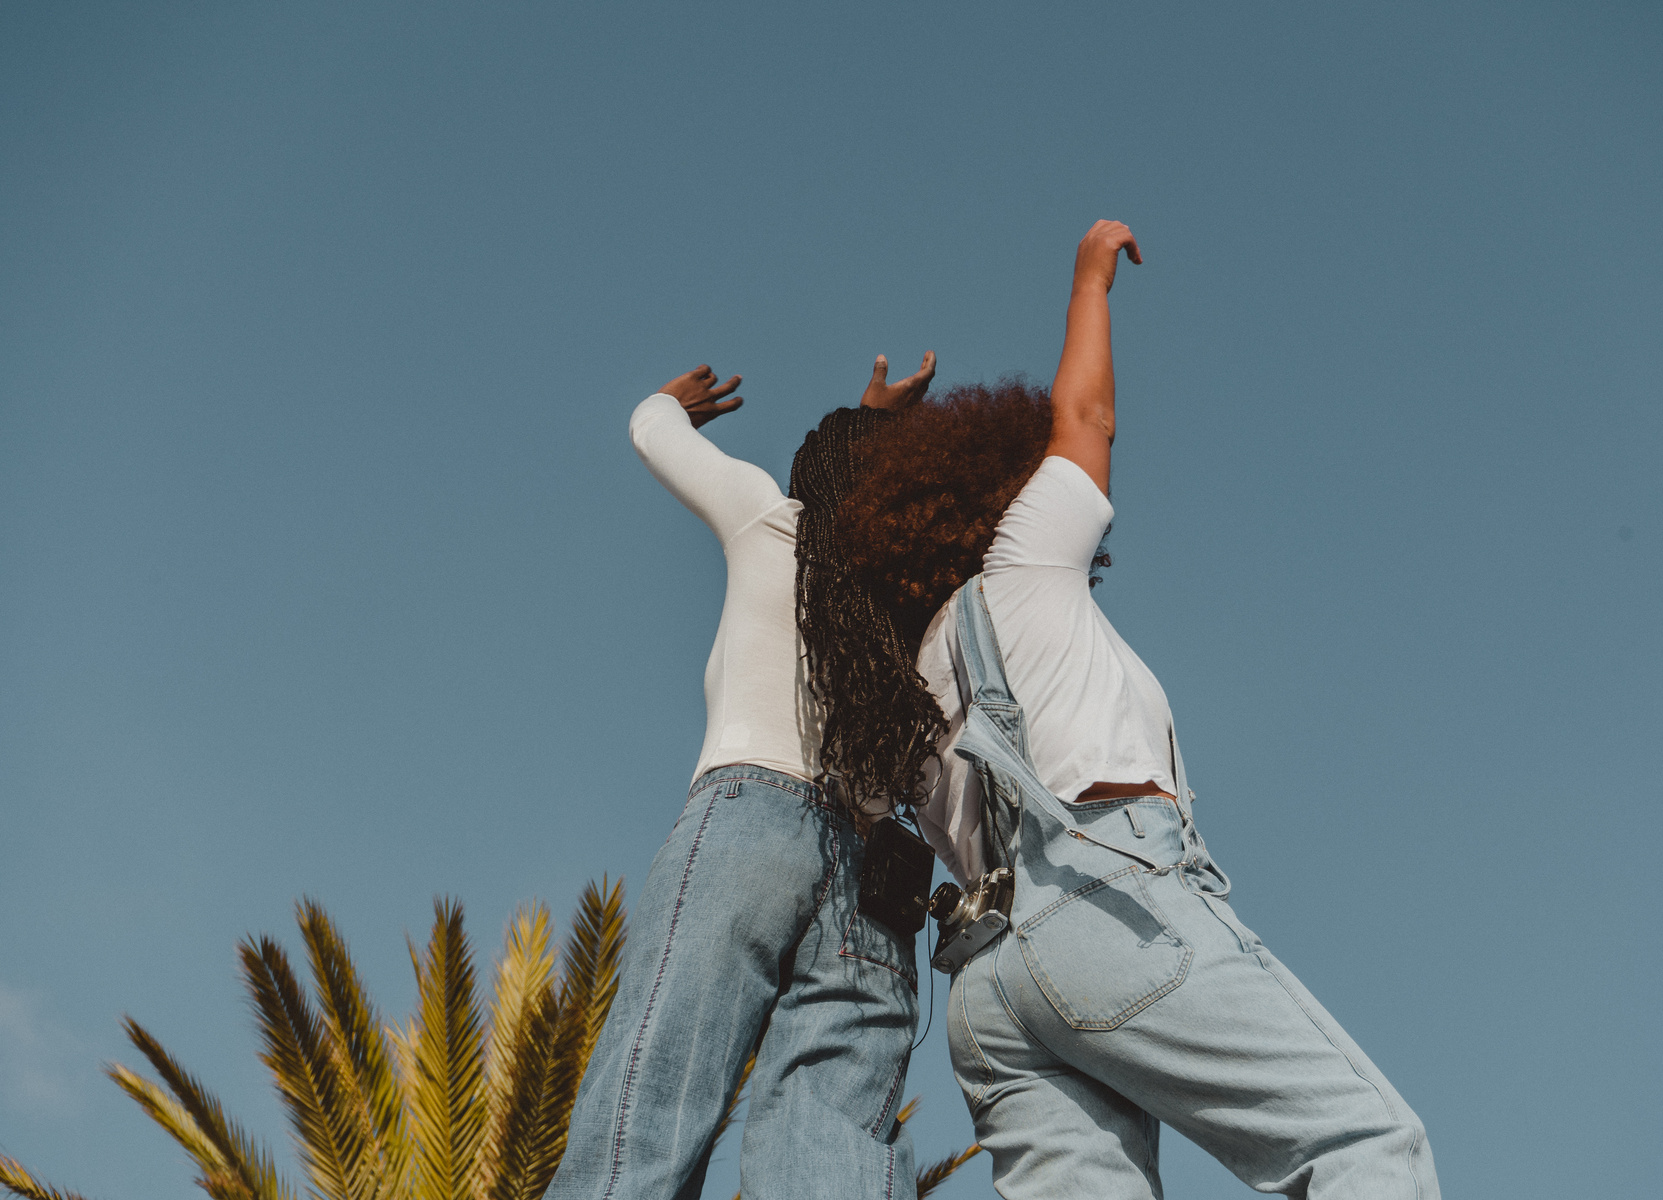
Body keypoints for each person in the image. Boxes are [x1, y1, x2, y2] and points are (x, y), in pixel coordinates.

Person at [834, 221, 1442, 1199]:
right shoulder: (1023, 567)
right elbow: (1085, 417)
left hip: (987, 995)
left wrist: (862, 435)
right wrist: (1088, 282)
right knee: (1364, 1145)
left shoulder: (893, 689)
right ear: (997, 489)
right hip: (1105, 911)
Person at [545, 353, 936, 1200]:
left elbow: (654, 433)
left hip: (749, 822)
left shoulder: (771, 518)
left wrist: (665, 401)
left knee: (647, 1116)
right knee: (831, 1151)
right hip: (877, 879)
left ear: (818, 473)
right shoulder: (911, 603)